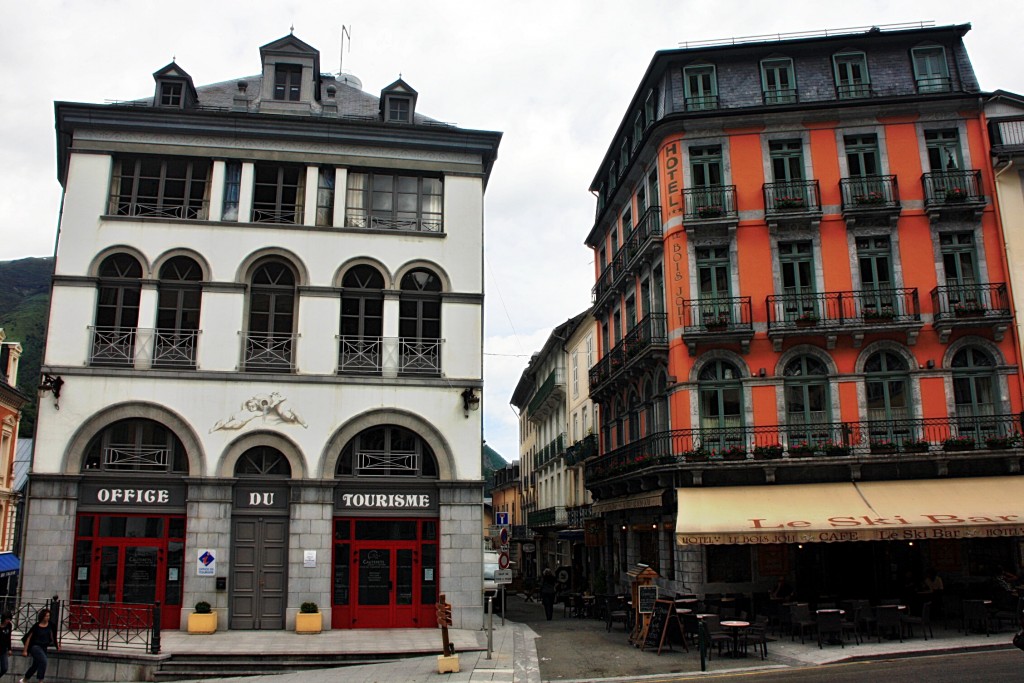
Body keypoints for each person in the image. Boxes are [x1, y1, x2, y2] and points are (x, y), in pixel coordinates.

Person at [21, 608, 58, 683]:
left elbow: (54, 636)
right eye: (46, 616)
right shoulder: (36, 626)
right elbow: (28, 638)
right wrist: (25, 650)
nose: (48, 618)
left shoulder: (51, 625)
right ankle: (40, 681)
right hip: (35, 647)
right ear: (42, 617)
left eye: (49, 616)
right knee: (43, 661)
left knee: (36, 665)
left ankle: (25, 679)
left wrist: (57, 646)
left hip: (44, 647)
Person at [0, 611, 11, 678]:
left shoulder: (9, 625)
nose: (8, 621)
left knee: (4, 668)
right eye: (7, 619)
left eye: (9, 619)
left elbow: (9, 637)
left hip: (3, 649)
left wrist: (9, 649)